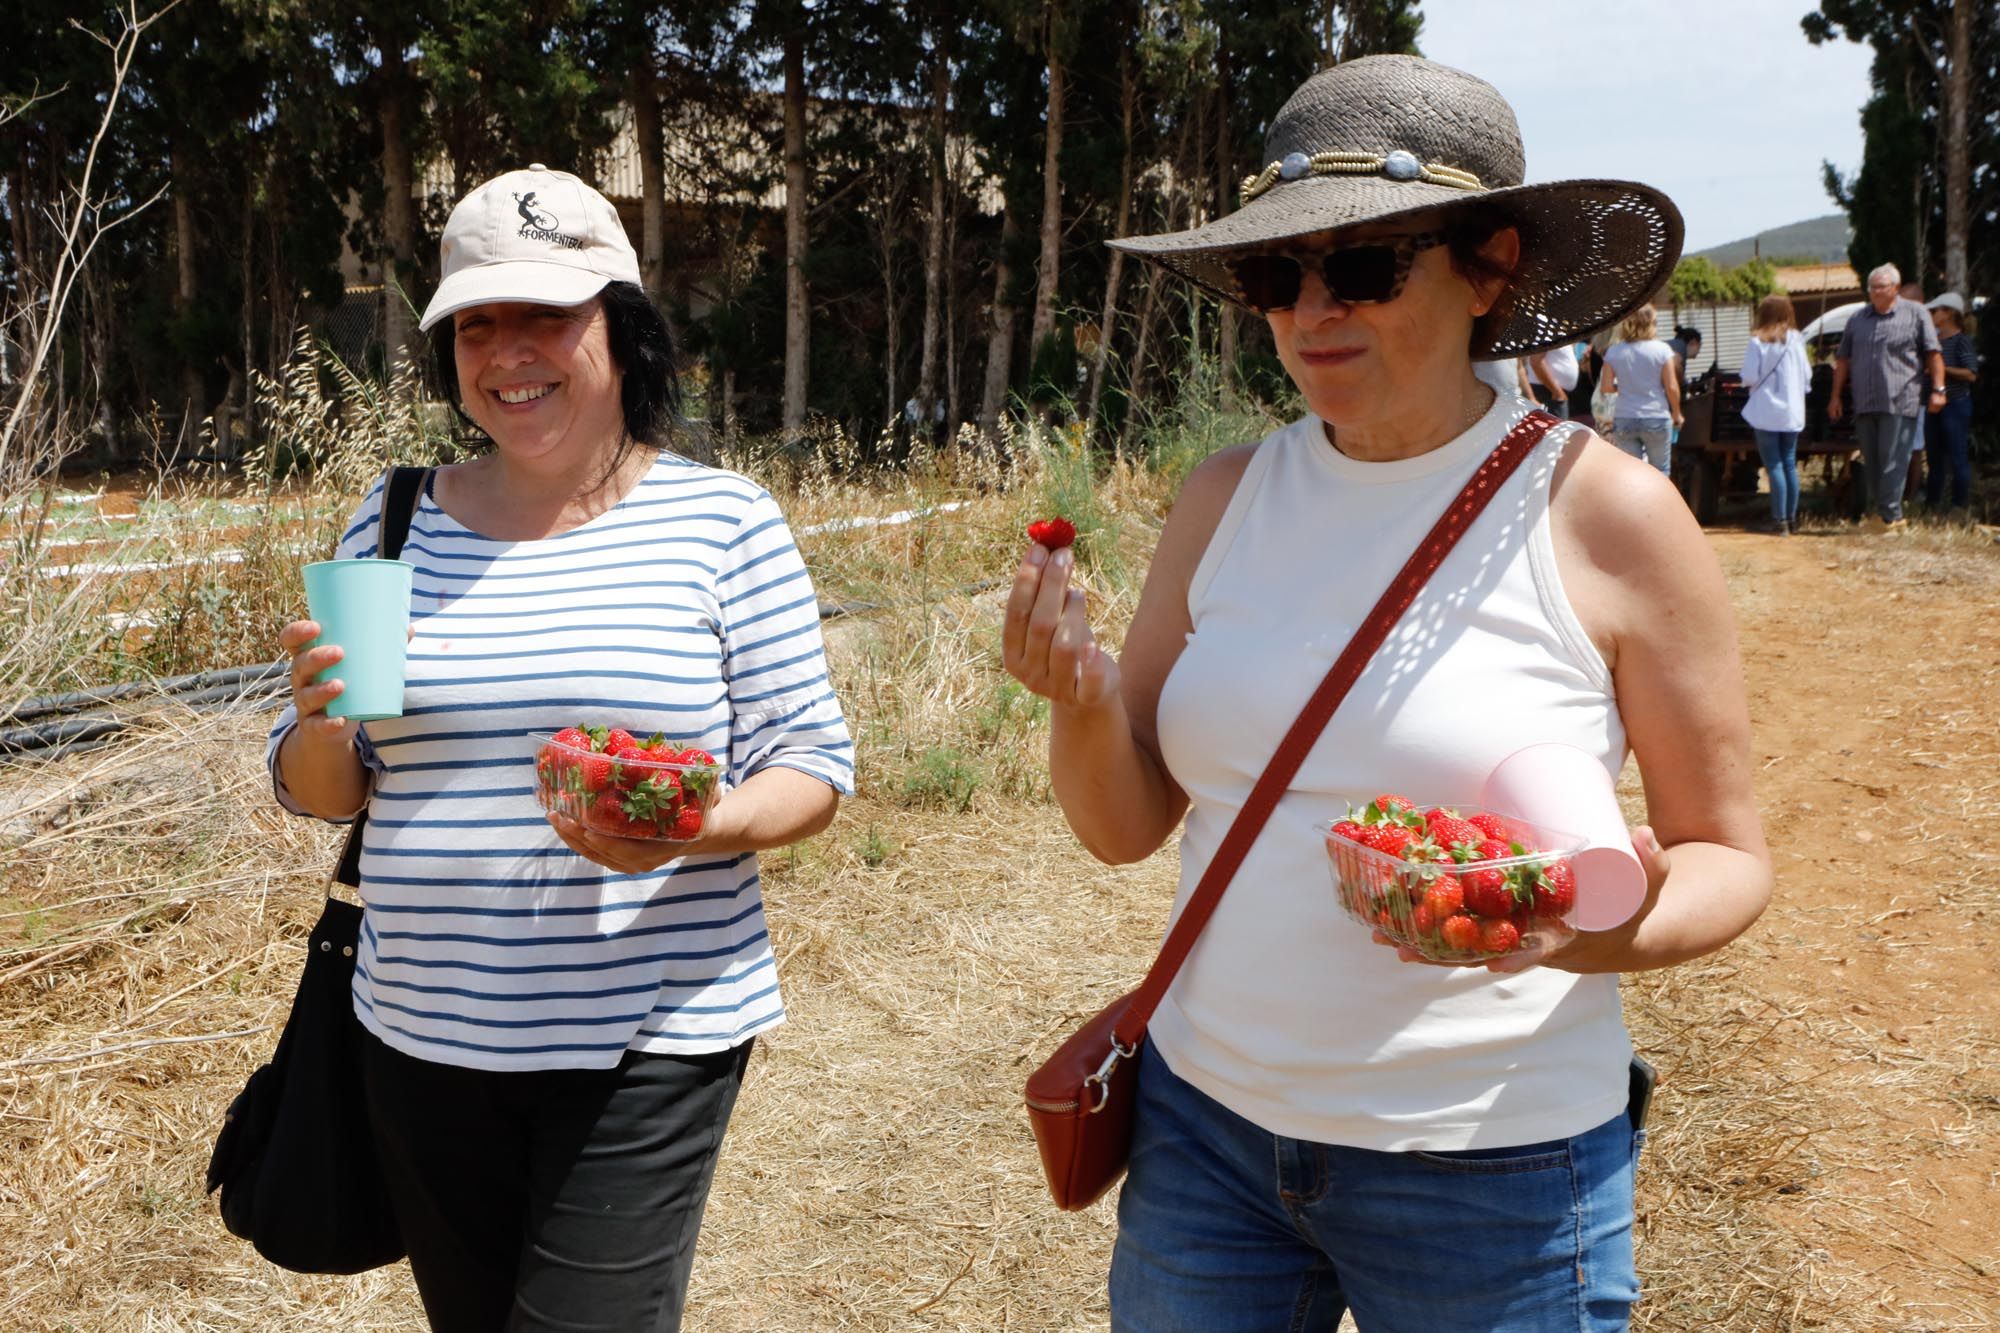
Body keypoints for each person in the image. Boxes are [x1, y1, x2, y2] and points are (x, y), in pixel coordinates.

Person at [1004, 54, 1769, 1332]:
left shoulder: (1606, 514)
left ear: (1490, 266)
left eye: (1363, 265)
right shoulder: (1223, 495)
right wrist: (1076, 699)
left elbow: (1726, 855)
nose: (1311, 311)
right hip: (1204, 1136)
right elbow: (1123, 826)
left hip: (1495, 1169)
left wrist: (1575, 930)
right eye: (1273, 275)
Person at [267, 165, 853, 1331]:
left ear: (621, 328)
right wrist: (323, 719)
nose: (508, 351)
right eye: (476, 323)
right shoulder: (390, 518)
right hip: (419, 1032)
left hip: (651, 1034)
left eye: (546, 313)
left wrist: (697, 824)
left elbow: (813, 767)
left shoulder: (722, 521)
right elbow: (320, 790)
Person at [1828, 263, 1945, 530]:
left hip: (1900, 398)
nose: (1876, 292)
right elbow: (1843, 360)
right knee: (1874, 459)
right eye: (1872, 287)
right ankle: (1884, 513)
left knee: (1894, 458)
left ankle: (1891, 517)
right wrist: (1835, 396)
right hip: (1865, 401)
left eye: (1882, 287)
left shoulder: (1916, 314)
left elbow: (1933, 354)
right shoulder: (1858, 319)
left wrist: (1939, 389)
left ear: (1895, 288)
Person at [1740, 294, 1810, 534]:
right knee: (1789, 463)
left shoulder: (1757, 342)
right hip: (1792, 412)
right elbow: (1807, 377)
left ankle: (1779, 520)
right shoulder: (1796, 339)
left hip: (1766, 412)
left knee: (1774, 465)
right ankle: (1791, 519)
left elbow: (1749, 376)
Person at [1601, 304, 1683, 474]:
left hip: (1625, 417)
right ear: (1651, 323)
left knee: (1631, 473)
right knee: (1660, 471)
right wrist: (1677, 412)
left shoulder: (1614, 352)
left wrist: (1624, 387)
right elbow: (1672, 387)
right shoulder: (1662, 350)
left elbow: (1606, 387)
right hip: (1656, 415)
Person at [1924, 292, 1979, 515]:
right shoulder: (1933, 341)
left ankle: (1958, 505)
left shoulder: (1961, 341)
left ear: (1947, 314)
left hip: (1955, 405)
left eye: (1935, 311)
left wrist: (1941, 369)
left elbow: (1971, 373)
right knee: (1935, 459)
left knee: (1957, 457)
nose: (1932, 315)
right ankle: (1932, 505)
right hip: (1934, 405)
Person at [1528, 339, 1580, 419]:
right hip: (1548, 392)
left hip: (1554, 393)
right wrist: (1557, 393)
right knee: (1555, 430)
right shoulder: (1547, 330)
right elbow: (1536, 361)